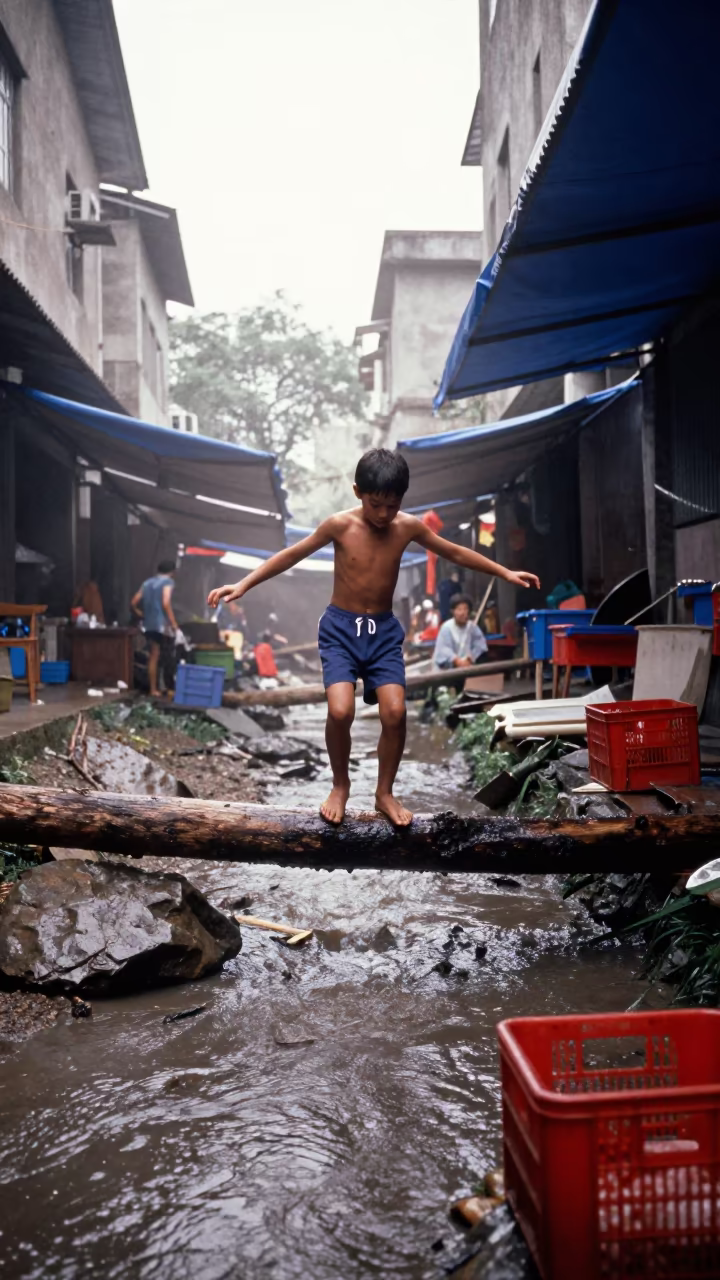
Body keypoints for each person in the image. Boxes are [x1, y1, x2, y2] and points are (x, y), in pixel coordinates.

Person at [207, 448, 539, 827]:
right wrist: (244, 584)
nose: (383, 515)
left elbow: (455, 552)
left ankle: (384, 793)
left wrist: (505, 573)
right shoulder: (339, 525)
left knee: (395, 712)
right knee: (340, 710)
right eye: (375, 504)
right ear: (357, 492)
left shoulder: (408, 527)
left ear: (402, 500)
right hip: (340, 631)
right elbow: (291, 555)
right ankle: (340, 785)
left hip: (381, 632)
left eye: (392, 506)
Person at [131, 560, 179, 698]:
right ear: (172, 572)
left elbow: (133, 602)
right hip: (161, 625)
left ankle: (154, 688)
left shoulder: (147, 583)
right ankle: (160, 688)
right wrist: (173, 622)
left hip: (148, 624)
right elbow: (165, 602)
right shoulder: (168, 582)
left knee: (153, 655)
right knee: (165, 655)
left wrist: (140, 614)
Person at [433, 594, 488, 669]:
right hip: (450, 670)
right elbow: (444, 649)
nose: (463, 613)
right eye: (459, 609)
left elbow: (480, 645)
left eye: (465, 609)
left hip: (468, 666)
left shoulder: (472, 627)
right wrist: (457, 660)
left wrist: (471, 658)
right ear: (453, 611)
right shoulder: (446, 628)